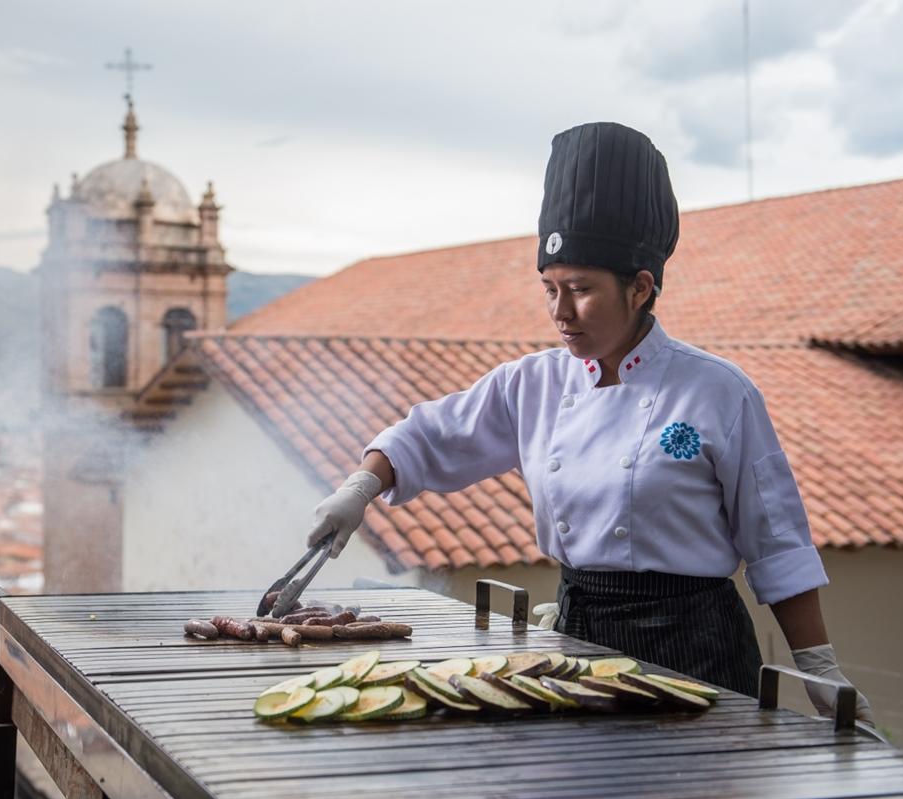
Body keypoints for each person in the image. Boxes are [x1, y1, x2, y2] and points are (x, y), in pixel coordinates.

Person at [306, 121, 873, 721]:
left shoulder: (717, 391)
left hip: (696, 647)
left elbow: (775, 540)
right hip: (576, 644)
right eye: (549, 289)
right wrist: (361, 486)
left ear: (640, 287)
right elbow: (431, 435)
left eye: (580, 289)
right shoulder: (533, 383)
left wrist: (816, 665)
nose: (560, 312)